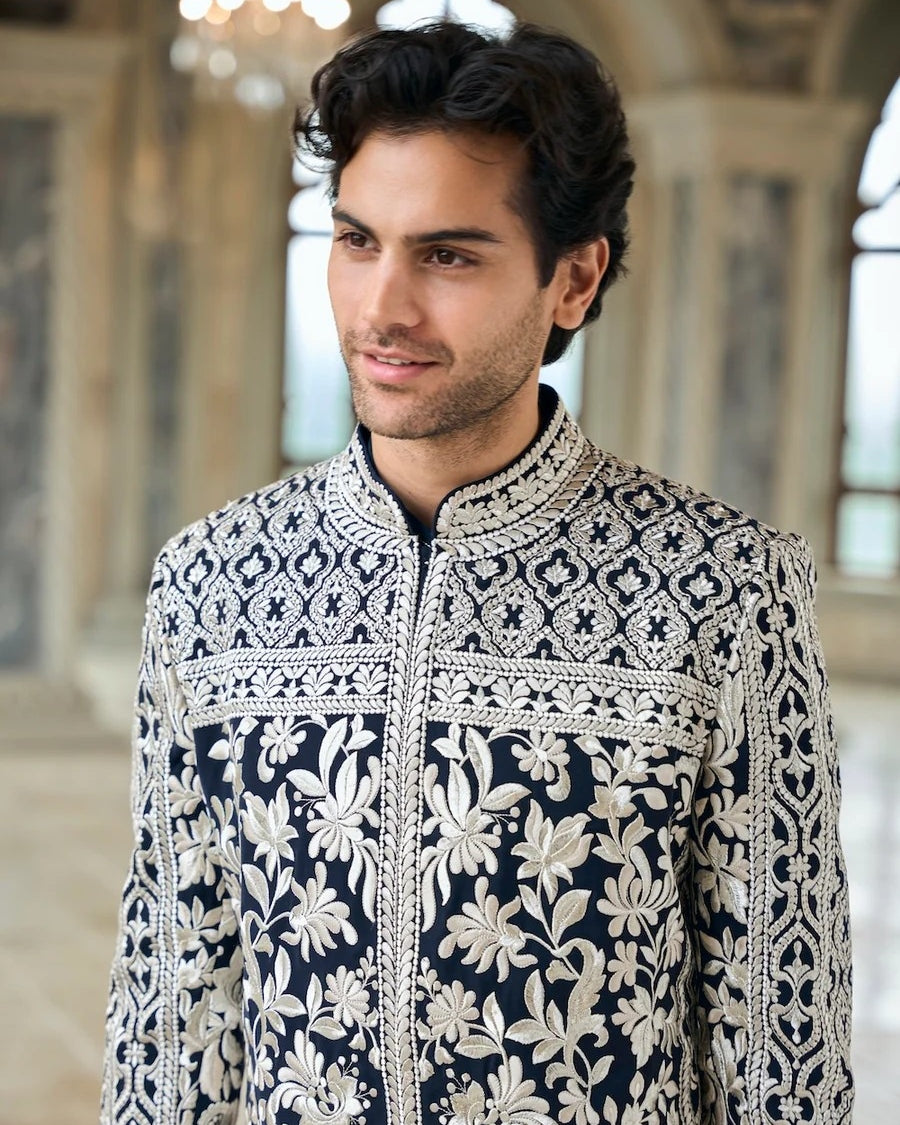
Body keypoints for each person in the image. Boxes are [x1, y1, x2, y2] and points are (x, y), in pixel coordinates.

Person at [101, 20, 853, 1125]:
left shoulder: (725, 588)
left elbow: (784, 1037)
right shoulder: (211, 581)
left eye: (447, 255)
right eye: (356, 240)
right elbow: (173, 1012)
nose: (381, 309)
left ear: (574, 279)